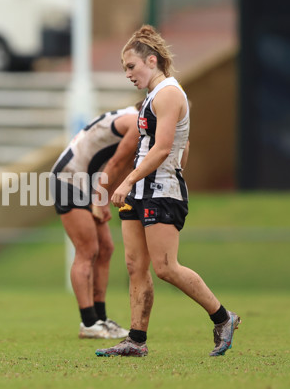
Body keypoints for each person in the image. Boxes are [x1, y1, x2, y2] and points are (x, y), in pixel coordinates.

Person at [95, 25, 240, 357]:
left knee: (165, 267)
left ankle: (223, 317)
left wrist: (130, 179)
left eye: (131, 67)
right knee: (135, 265)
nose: (128, 74)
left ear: (152, 59)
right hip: (142, 188)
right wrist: (140, 179)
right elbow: (181, 143)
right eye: (125, 69)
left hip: (159, 189)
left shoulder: (170, 93)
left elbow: (162, 150)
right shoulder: (153, 97)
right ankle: (136, 340)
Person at [51, 105, 141, 339]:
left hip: (87, 182)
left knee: (105, 249)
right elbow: (117, 164)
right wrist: (102, 198)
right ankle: (89, 322)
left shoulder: (130, 116)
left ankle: (100, 318)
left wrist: (102, 194)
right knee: (87, 250)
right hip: (70, 178)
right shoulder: (136, 123)